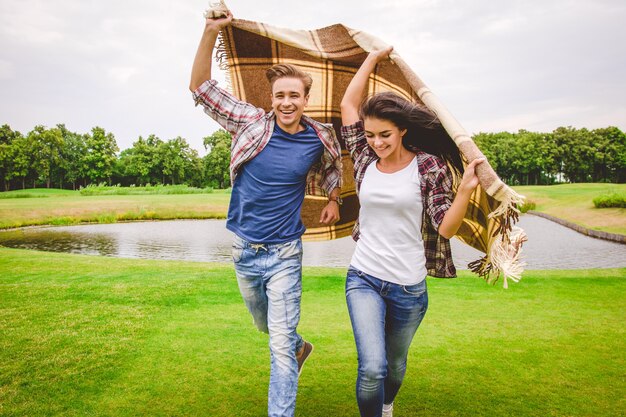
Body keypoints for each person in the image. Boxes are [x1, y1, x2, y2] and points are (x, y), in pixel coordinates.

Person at [189, 12, 343, 417]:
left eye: (294, 95)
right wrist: (211, 32)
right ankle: (298, 346)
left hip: (285, 255)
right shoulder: (250, 122)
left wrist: (334, 198)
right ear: (271, 97)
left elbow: (334, 167)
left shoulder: (319, 136)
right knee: (267, 329)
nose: (286, 102)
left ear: (305, 98)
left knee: (277, 343)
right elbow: (201, 89)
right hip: (244, 251)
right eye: (279, 95)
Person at [339, 46, 484, 417]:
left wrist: (465, 190)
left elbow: (445, 228)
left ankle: (387, 406)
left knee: (395, 365)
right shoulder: (364, 157)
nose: (377, 142)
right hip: (363, 277)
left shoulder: (428, 166)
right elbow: (348, 104)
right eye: (370, 135)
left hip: (408, 286)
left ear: (403, 130)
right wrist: (371, 57)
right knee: (372, 367)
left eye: (385, 134)